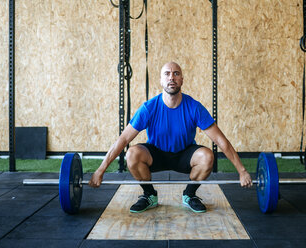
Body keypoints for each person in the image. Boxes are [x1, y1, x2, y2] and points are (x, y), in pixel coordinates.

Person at [89, 62, 252, 213]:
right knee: (132, 153)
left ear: (181, 80)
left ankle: (190, 195)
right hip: (156, 154)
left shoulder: (194, 107)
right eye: (167, 74)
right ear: (161, 80)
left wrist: (242, 171)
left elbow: (220, 141)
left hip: (184, 154)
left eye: (176, 73)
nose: (171, 77)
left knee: (207, 156)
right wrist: (100, 170)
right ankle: (149, 195)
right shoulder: (149, 108)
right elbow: (123, 139)